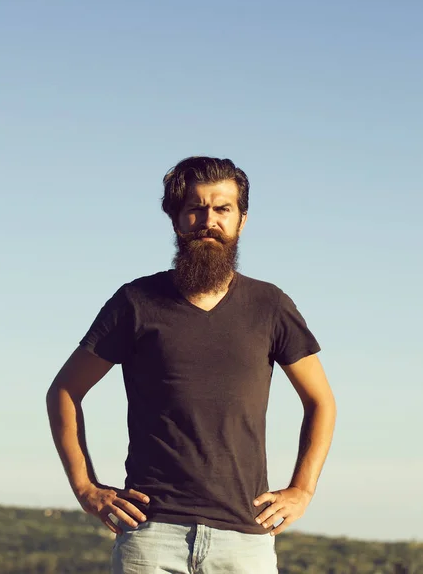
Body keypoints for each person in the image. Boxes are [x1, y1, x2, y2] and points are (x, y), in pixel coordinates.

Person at [47, 156, 336, 574]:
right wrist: (85, 487)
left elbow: (321, 401)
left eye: (223, 209)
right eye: (195, 209)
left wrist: (303, 489)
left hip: (245, 537)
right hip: (150, 536)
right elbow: (64, 390)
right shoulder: (136, 301)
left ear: (242, 220)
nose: (209, 221)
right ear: (177, 220)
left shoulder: (271, 305)